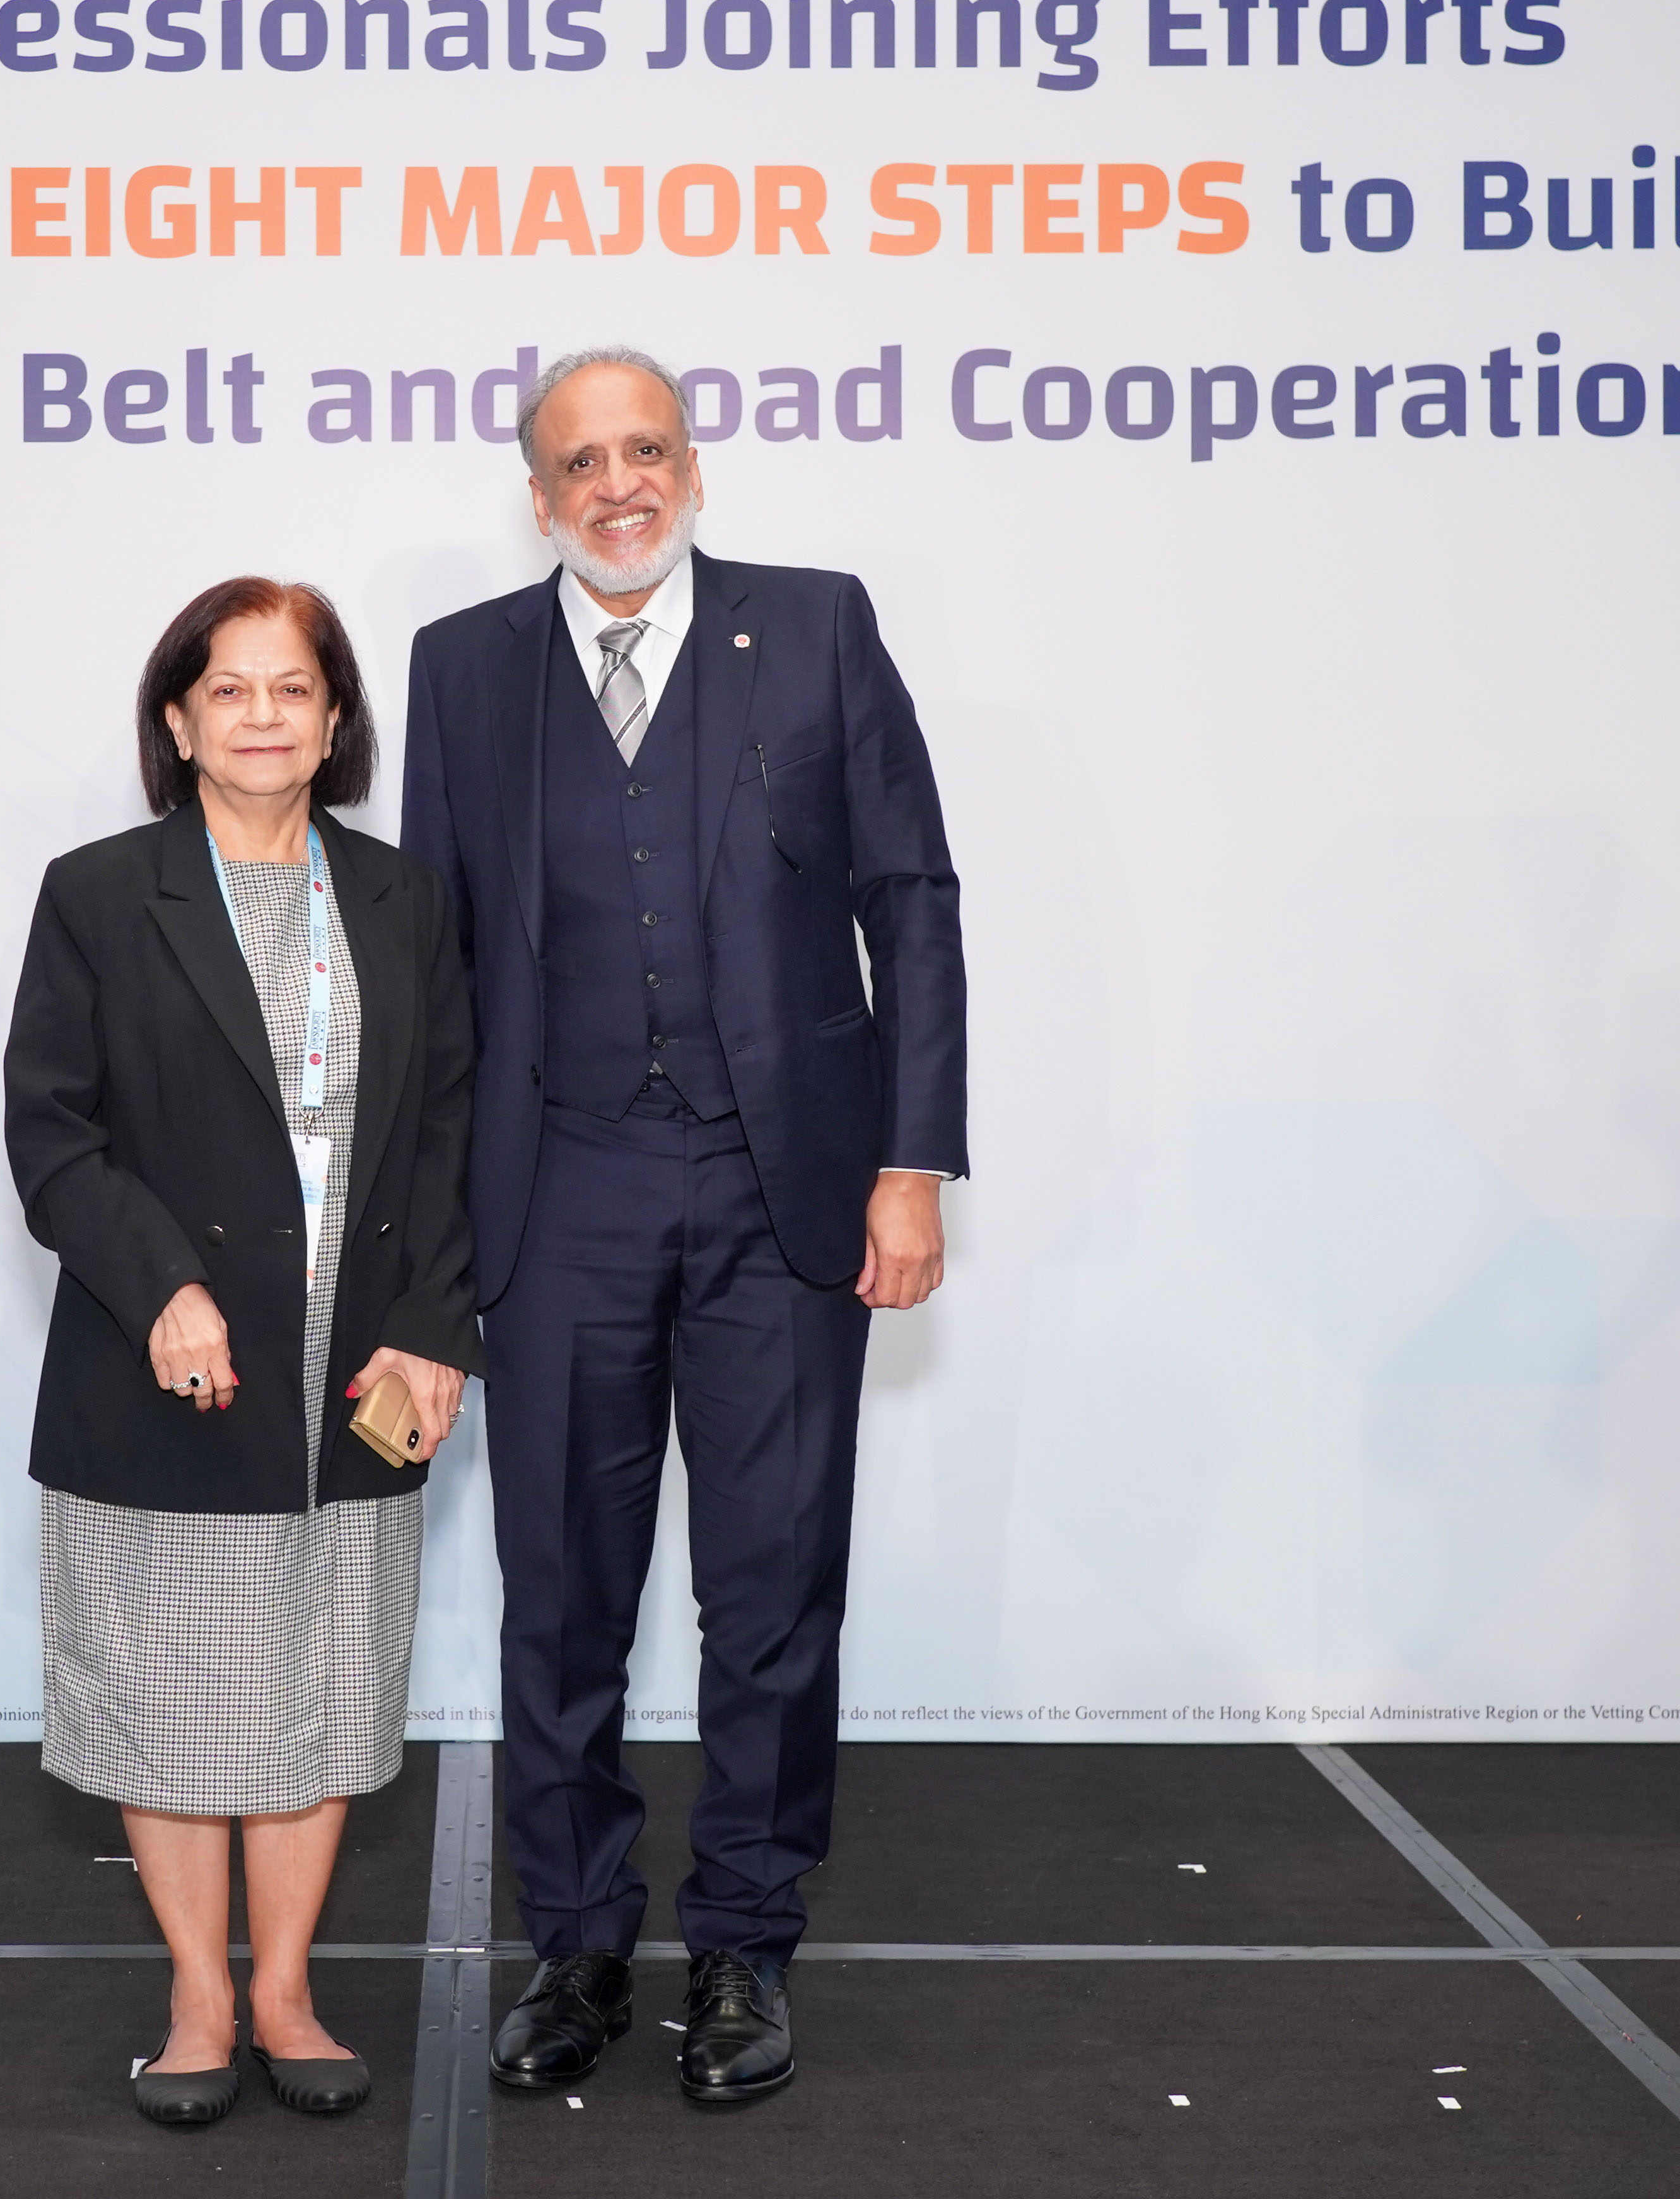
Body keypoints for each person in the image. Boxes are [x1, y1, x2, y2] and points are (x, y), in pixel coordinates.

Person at [400, 346, 966, 2104]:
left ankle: (742, 1944)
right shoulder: (462, 667)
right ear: (539, 494)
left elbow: (910, 896)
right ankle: (574, 1940)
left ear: (695, 465)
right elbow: (440, 967)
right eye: (583, 461)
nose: (619, 484)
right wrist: (427, 1244)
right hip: (555, 1194)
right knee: (561, 1598)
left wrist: (911, 1161)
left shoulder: (816, 628)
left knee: (773, 1592)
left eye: (646, 448)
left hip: (780, 1192)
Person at [4, 577, 480, 2126]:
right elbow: (52, 1134)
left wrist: (434, 1326)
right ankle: (199, 1997)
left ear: (335, 721)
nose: (263, 714)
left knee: (321, 1685)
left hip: (359, 1360)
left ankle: (284, 1988)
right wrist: (162, 1287)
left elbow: (454, 1129)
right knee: (172, 1689)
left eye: (293, 688)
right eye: (230, 688)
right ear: (178, 718)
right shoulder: (98, 892)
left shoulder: (405, 898)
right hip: (169, 1354)